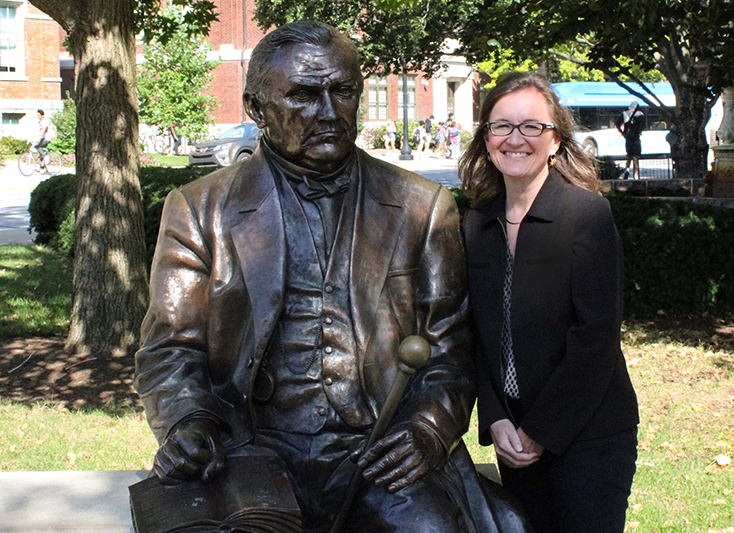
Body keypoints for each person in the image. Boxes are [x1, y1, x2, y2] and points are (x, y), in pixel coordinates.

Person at [135, 21, 529, 533]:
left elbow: (450, 346)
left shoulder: (420, 206)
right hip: (252, 447)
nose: (328, 112)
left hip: (377, 447)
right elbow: (171, 347)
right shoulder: (198, 209)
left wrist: (428, 428)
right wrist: (188, 423)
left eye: (342, 91)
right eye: (302, 95)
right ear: (257, 109)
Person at [460, 71, 639, 533]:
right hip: (514, 437)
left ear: (555, 141)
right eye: (502, 126)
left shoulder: (586, 216)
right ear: (487, 138)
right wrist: (495, 417)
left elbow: (595, 339)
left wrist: (540, 432)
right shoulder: (476, 224)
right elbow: (476, 334)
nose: (515, 139)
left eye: (531, 127)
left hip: (587, 434)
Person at [615, 101, 644, 179]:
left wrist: (623, 132)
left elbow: (617, 123)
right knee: (636, 158)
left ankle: (627, 171)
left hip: (628, 138)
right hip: (636, 138)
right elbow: (642, 125)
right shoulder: (640, 114)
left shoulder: (625, 113)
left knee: (629, 157)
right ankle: (636, 176)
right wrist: (639, 131)